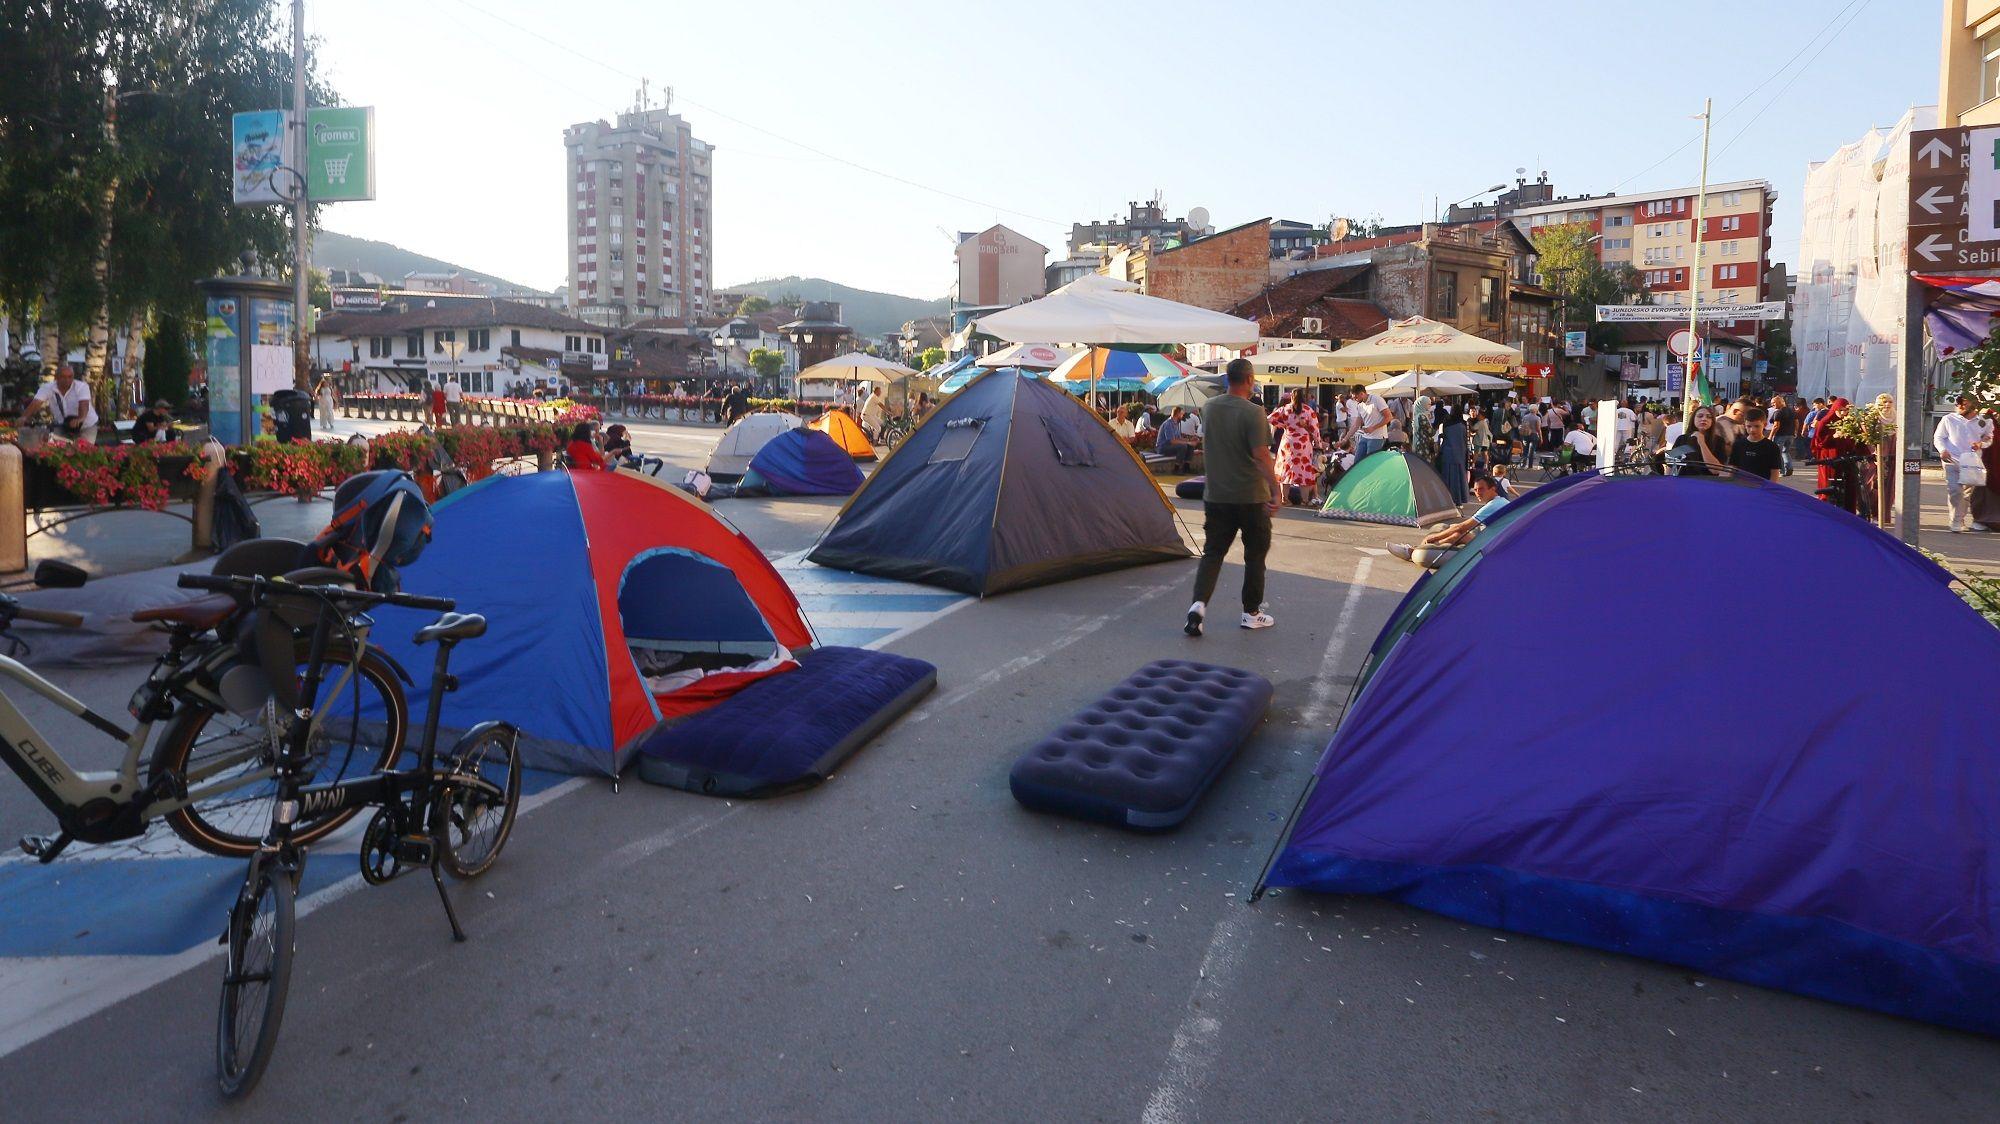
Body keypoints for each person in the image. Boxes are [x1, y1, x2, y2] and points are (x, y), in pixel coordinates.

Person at [1186, 358, 1279, 636]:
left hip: (1216, 495)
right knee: (1255, 555)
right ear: (1250, 380)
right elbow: (1261, 455)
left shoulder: (1210, 408)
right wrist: (1276, 490)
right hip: (1251, 496)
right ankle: (1251, 612)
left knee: (1213, 553)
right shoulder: (1254, 413)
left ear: (1228, 379)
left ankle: (1198, 606)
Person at [1387, 474, 1508, 569]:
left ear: (1493, 489)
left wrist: (1433, 538)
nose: (1478, 493)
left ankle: (1413, 550)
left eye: (1481, 489)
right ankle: (1417, 548)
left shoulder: (1494, 505)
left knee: (1458, 534)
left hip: (1496, 546)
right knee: (1455, 528)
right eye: (1475, 490)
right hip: (1496, 540)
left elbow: (1462, 527)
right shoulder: (1500, 501)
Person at [1935, 393, 1993, 533]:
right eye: (1958, 403)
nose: (1959, 406)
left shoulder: (1985, 421)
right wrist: (1942, 450)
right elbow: (1939, 437)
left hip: (1972, 461)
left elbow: (1989, 438)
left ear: (1973, 404)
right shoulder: (1949, 419)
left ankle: (1959, 519)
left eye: (1964, 403)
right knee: (1955, 490)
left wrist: (1981, 444)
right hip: (1952, 459)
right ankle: (1955, 521)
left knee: (1966, 493)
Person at [1267, 389, 1322, 505]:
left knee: (1286, 470)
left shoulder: (1285, 408)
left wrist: (1282, 425)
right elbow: (1315, 429)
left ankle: (1284, 499)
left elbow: (1269, 418)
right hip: (1303, 443)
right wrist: (1318, 443)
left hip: (1287, 441)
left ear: (1291, 397)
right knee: (1304, 470)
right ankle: (1304, 500)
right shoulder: (1308, 410)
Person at [19, 363, 98, 444]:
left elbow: (84, 404)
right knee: (53, 447)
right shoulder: (47, 388)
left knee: (85, 450)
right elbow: (36, 403)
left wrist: (80, 419)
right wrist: (24, 417)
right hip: (64, 425)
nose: (67, 380)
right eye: (63, 377)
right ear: (56, 377)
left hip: (87, 425)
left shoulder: (82, 387)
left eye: (70, 377)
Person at [1728, 407, 1785, 482]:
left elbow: (1774, 472)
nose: (1752, 430)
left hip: (1762, 487)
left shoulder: (1772, 447)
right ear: (1744, 425)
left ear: (1764, 425)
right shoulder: (1738, 444)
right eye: (1749, 426)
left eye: (1757, 426)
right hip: (1741, 486)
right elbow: (1732, 467)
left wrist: (1771, 489)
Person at [1671, 404, 1729, 475]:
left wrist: (1702, 442)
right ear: (1693, 419)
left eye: (1709, 417)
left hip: (1707, 482)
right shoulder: (1683, 439)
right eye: (1700, 416)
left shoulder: (1719, 441)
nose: (1704, 419)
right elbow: (1671, 465)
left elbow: (1716, 470)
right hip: (1685, 481)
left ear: (1712, 421)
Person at [1434, 396, 1468, 503]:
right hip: (1460, 452)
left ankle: (1446, 498)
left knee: (1447, 476)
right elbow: (1464, 439)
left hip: (1448, 451)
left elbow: (1442, 436)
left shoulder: (1447, 422)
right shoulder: (1463, 423)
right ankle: (1459, 498)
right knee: (1459, 476)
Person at [1342, 384, 1390, 460]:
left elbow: (1389, 417)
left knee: (1370, 462)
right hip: (1366, 436)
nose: (1355, 400)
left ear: (1362, 393)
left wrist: (1373, 428)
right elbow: (1356, 425)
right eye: (1354, 398)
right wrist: (1345, 439)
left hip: (1378, 437)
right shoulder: (1360, 405)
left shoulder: (1377, 399)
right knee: (1357, 462)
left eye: (1356, 398)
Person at [1155, 406, 1197, 473]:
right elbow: (1172, 441)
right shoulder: (1168, 424)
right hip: (1163, 447)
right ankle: (1176, 469)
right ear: (1178, 414)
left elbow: (1178, 438)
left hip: (1170, 446)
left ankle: (1186, 467)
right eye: (1182, 414)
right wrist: (1187, 443)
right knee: (1182, 446)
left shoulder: (1175, 424)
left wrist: (1189, 440)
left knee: (1190, 446)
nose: (1183, 415)